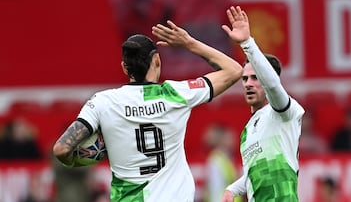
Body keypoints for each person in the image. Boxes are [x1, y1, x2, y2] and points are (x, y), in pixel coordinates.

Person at [53, 19, 243, 202]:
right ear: (157, 60)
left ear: (124, 68)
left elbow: (61, 149)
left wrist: (78, 161)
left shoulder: (103, 101)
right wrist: (189, 42)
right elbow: (234, 70)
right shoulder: (176, 95)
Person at [220, 6, 305, 202]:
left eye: (256, 78)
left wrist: (248, 44)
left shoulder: (284, 113)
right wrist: (232, 189)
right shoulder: (247, 131)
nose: (248, 84)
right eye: (245, 79)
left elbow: (274, 86)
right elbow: (255, 169)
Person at [203, 123, 242, 202]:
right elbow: (215, 188)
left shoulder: (226, 158)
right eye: (230, 137)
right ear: (221, 140)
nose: (235, 140)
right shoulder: (216, 160)